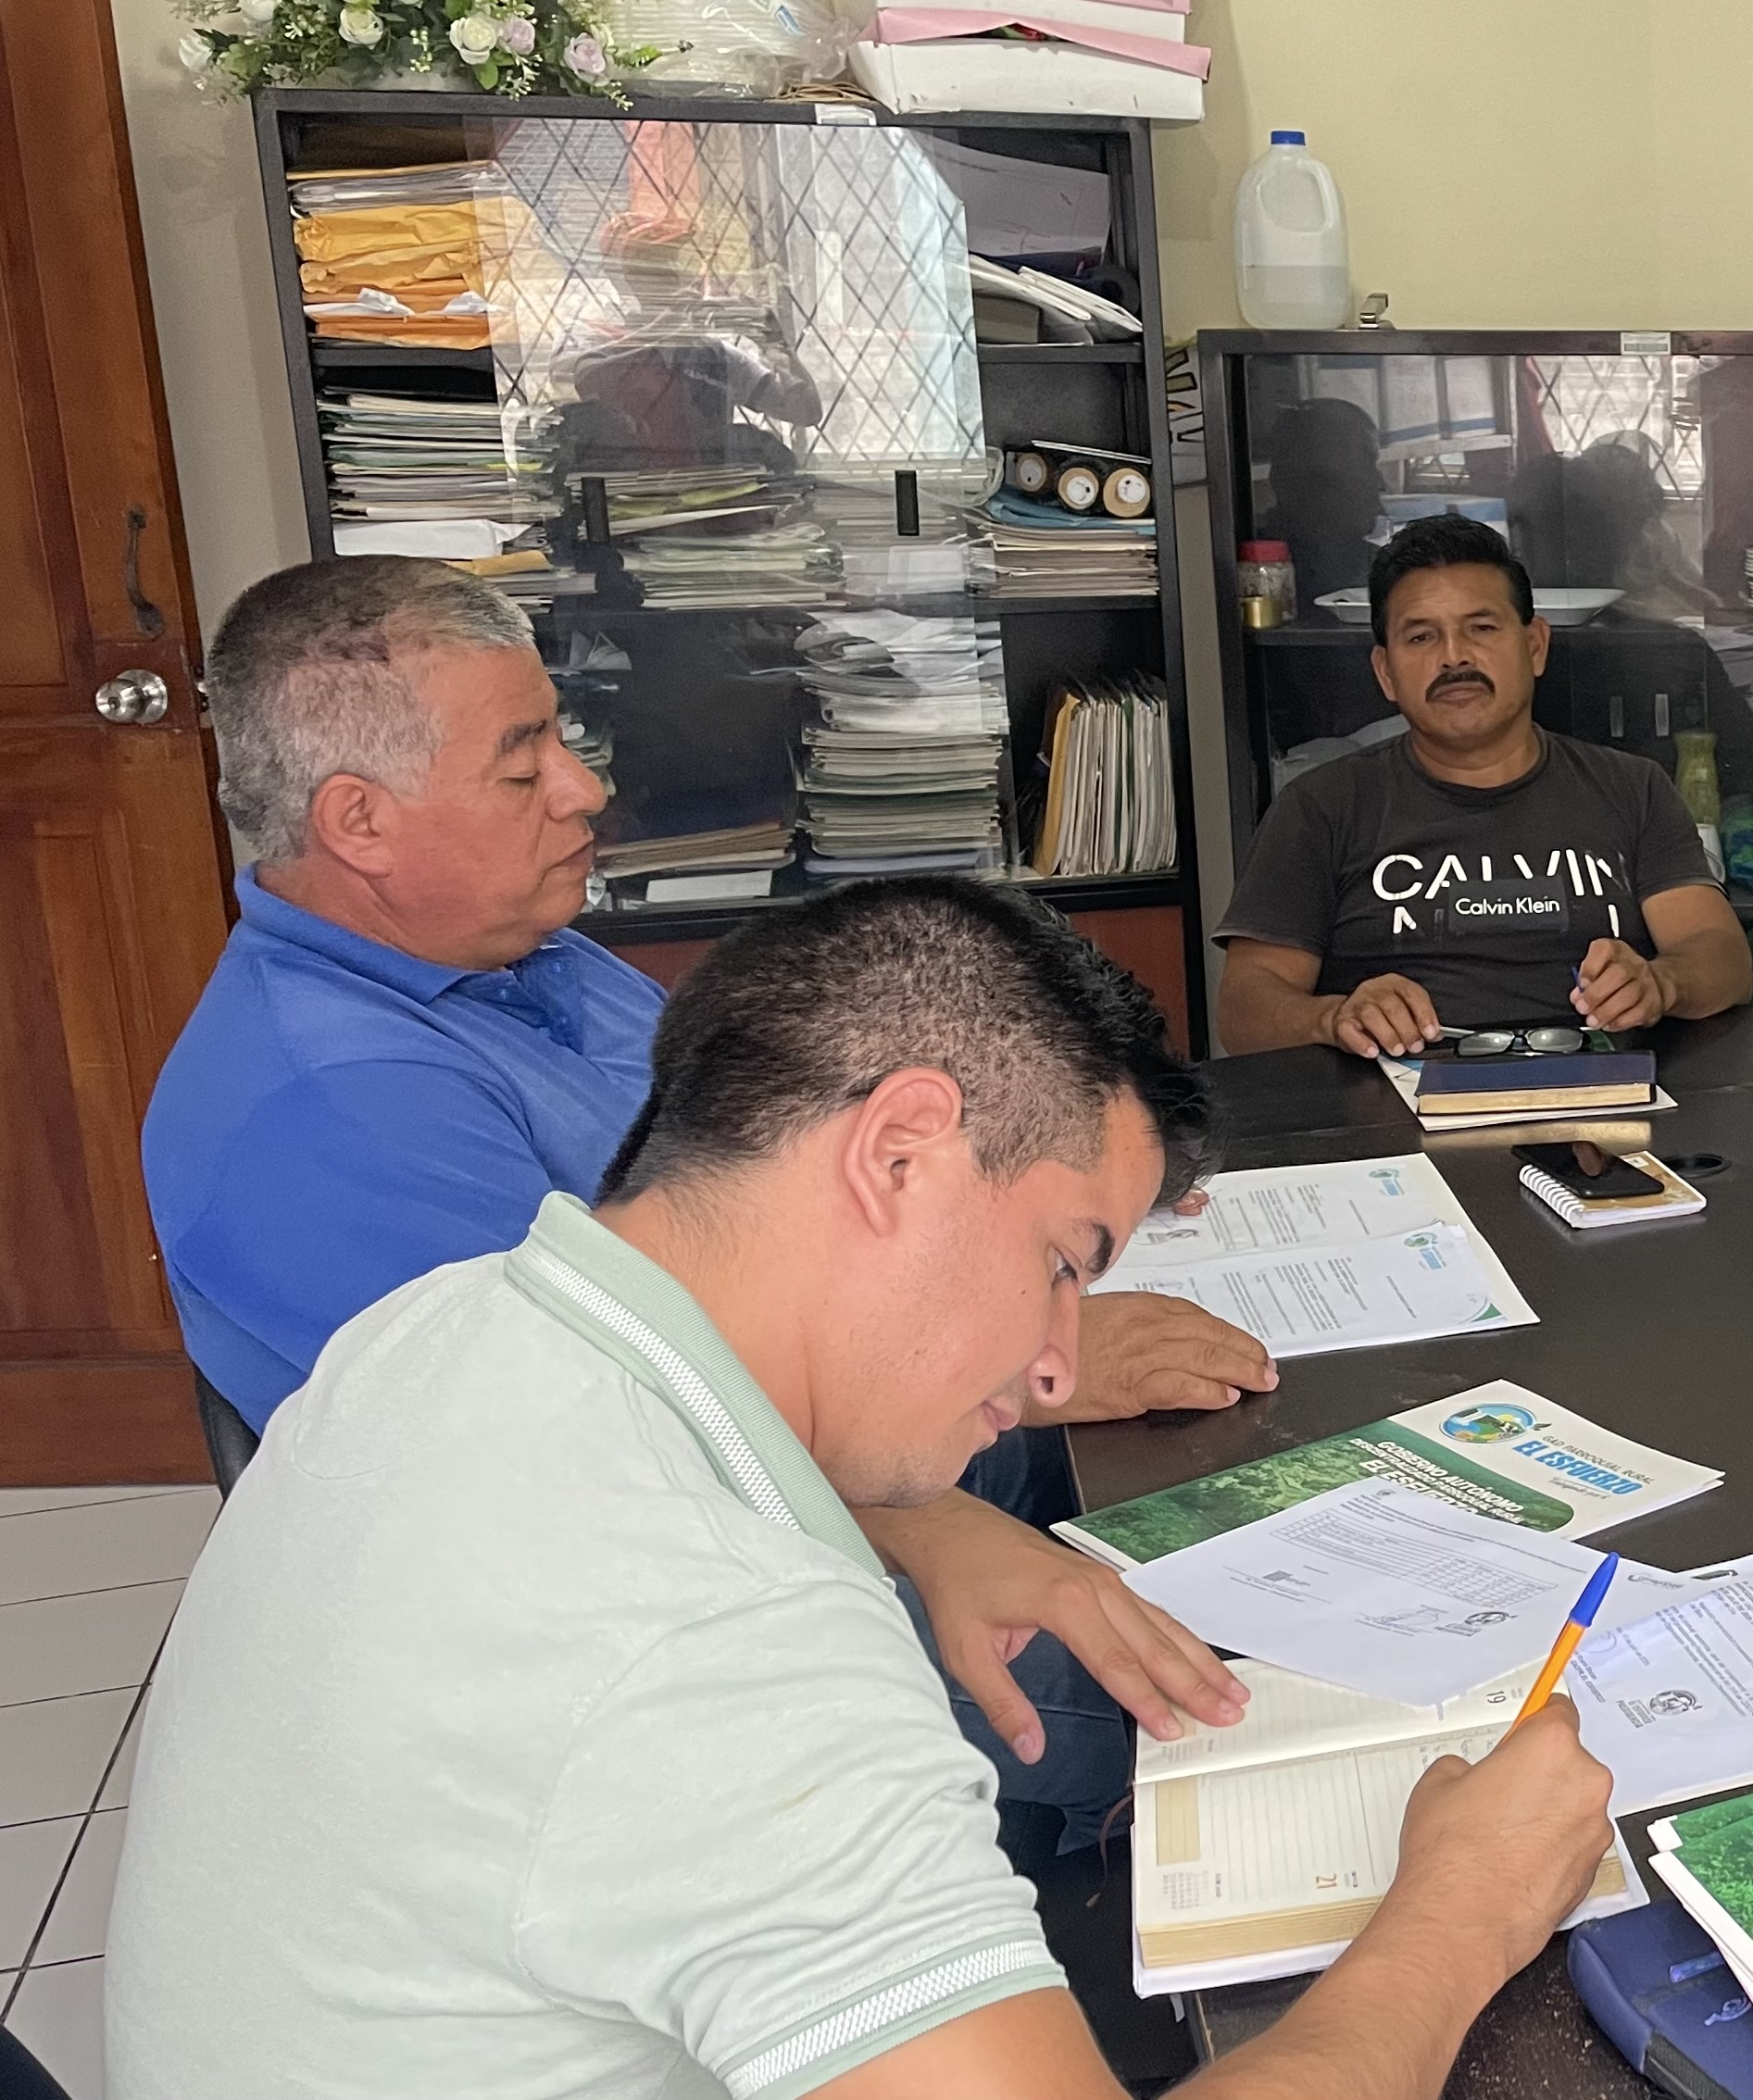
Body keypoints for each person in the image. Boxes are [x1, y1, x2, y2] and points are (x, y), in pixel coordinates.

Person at [107, 878, 1619, 2099]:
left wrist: (899, 1523)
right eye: (1064, 1262)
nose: (1054, 1361)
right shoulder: (717, 1636)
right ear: (899, 1151)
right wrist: (1461, 1910)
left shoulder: (444, 1324)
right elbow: (683, 1668)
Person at [136, 555, 1270, 1835]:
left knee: (1254, 1485)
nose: (583, 788)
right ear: (359, 822)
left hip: (846, 1430)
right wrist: (946, 1514)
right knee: (1210, 1706)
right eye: (521, 767)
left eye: (559, 736)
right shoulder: (330, 1107)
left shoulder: (524, 957)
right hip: (697, 1576)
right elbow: (609, 1458)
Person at [1215, 515, 1753, 1054]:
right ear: (1385, 672)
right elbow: (1245, 1011)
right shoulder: (1321, 807)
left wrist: (1661, 983)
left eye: (1482, 628)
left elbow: (1720, 958)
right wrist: (1335, 1017)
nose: (1454, 656)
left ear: (1536, 646)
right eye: (1421, 636)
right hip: (1393, 1095)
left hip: (1604, 1089)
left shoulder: (1632, 788)